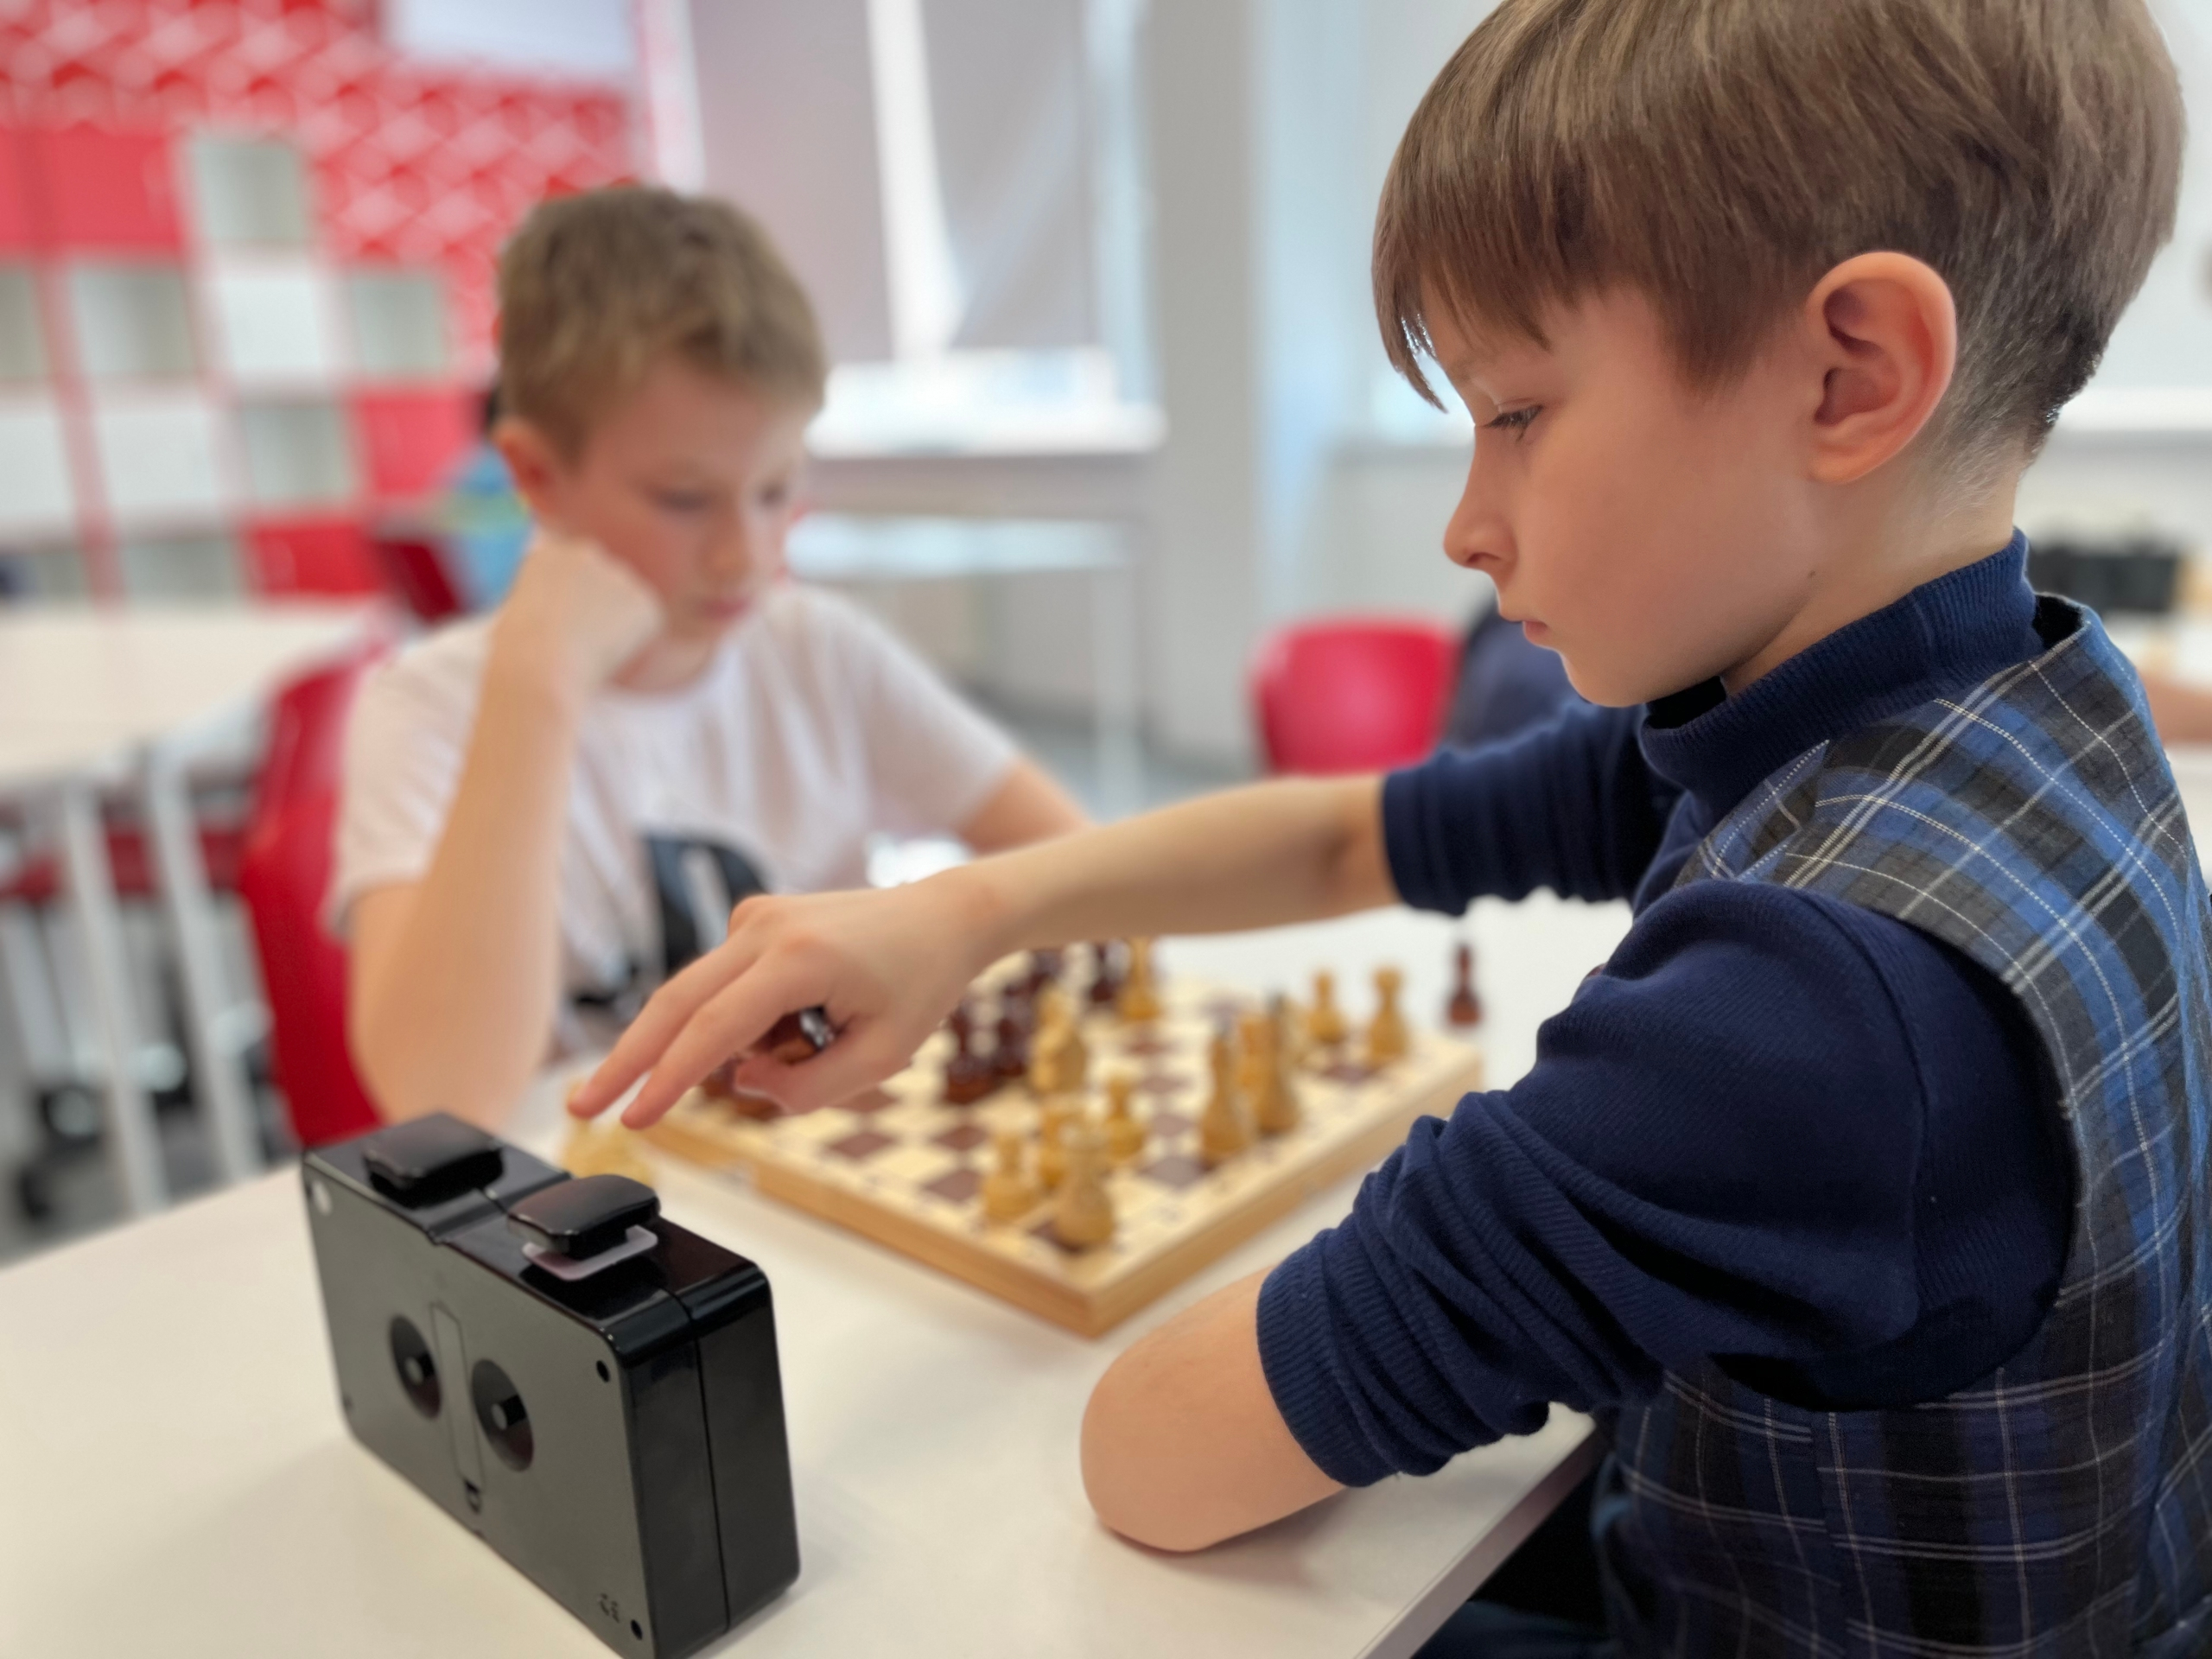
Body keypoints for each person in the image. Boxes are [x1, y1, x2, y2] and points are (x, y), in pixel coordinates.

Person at [572, 3, 2212, 1652]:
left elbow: (1152, 1456)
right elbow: (1353, 842)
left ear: (1852, 374)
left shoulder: (1812, 1013)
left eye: (1518, 412)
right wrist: (968, 913)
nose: (1465, 527)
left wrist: (1480, 1208)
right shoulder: (2025, 708)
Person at [335, 188, 1086, 1129]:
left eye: (775, 490)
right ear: (536, 476)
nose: (744, 555)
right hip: (600, 1196)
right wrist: (537, 688)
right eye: (685, 499)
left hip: (828, 1164)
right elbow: (441, 1095)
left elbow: (1074, 869)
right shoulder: (425, 708)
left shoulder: (819, 651)